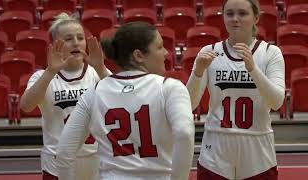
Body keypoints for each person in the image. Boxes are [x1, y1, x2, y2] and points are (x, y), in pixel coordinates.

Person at [55, 21, 195, 180]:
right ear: (138, 56)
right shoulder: (170, 87)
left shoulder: (95, 91)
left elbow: (64, 152)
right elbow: (184, 134)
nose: (166, 53)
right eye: (159, 47)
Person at [186, 0, 285, 179]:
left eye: (242, 13)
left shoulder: (271, 52)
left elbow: (277, 102)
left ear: (256, 17)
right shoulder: (209, 52)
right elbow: (189, 105)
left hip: (257, 146)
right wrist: (198, 72)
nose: (235, 19)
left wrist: (253, 69)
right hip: (216, 145)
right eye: (229, 14)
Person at [20, 12, 110, 180]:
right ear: (56, 45)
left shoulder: (96, 73)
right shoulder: (42, 76)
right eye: (69, 39)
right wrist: (50, 71)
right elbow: (26, 106)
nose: (76, 42)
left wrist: (101, 68)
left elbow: (122, 100)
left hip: (95, 161)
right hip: (56, 163)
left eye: (80, 37)